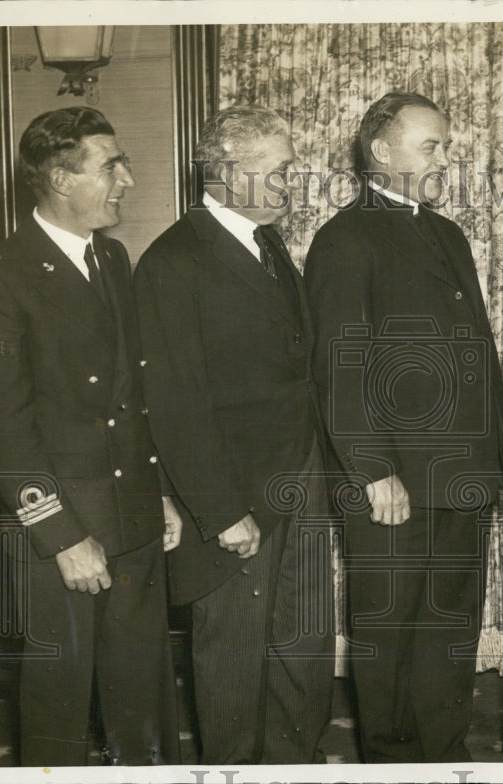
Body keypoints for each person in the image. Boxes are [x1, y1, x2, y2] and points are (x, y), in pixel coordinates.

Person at [0, 107, 180, 766]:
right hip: (63, 530)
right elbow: (5, 426)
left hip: (132, 514)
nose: (127, 180)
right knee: (59, 703)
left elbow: (130, 394)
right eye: (111, 166)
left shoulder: (111, 257)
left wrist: (158, 493)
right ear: (60, 178)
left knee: (143, 699)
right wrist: (60, 536)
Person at [304, 92, 503, 763]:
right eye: (431, 146)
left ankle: (445, 757)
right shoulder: (345, 238)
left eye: (446, 146)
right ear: (381, 151)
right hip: (393, 482)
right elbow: (339, 366)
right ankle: (394, 766)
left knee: (450, 631)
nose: (445, 159)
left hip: (463, 474)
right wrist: (372, 470)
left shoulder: (447, 234)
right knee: (390, 635)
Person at [133, 105, 334, 765]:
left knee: (302, 647)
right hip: (234, 496)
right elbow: (174, 401)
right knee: (235, 660)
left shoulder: (266, 242)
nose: (288, 186)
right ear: (222, 172)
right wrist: (221, 511)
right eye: (275, 173)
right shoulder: (172, 261)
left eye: (288, 171)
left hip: (298, 475)